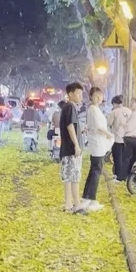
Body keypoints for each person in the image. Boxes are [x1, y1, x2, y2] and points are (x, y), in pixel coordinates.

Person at [81, 87, 113, 212]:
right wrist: (109, 135)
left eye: (100, 95)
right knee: (96, 170)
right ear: (91, 97)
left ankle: (90, 198)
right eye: (96, 95)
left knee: (95, 170)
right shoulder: (93, 109)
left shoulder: (95, 109)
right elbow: (99, 127)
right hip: (97, 143)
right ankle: (89, 198)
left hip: (98, 143)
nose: (99, 97)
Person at [60, 82, 85, 213]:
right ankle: (76, 205)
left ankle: (69, 205)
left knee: (69, 177)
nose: (80, 96)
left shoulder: (66, 107)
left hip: (67, 149)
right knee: (74, 177)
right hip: (71, 149)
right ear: (70, 94)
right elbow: (70, 126)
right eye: (78, 94)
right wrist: (76, 145)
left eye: (81, 94)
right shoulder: (70, 106)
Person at [108, 95, 131, 180]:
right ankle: (125, 176)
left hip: (117, 138)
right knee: (126, 159)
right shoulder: (129, 111)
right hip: (128, 138)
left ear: (114, 103)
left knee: (117, 158)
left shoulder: (114, 112)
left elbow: (109, 123)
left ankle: (118, 176)